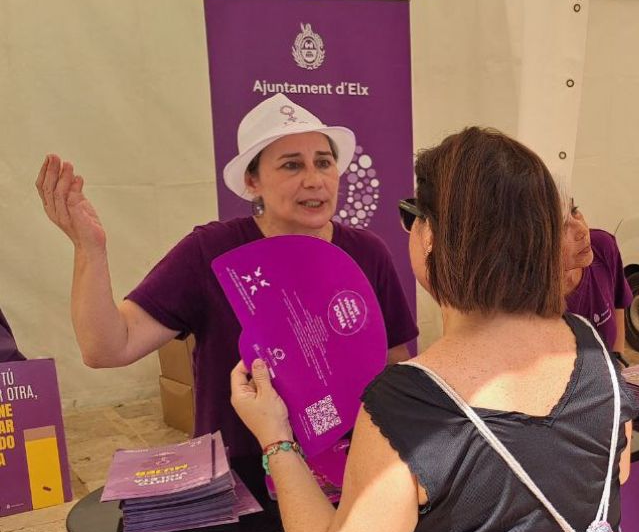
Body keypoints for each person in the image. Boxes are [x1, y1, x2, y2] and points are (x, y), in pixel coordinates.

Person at [230, 127, 638, 532]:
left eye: (412, 216)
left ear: (433, 237)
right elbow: (616, 469)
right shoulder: (595, 354)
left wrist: (275, 439)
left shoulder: (410, 402)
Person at [35, 93, 417, 459]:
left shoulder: (367, 252)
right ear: (253, 182)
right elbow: (108, 348)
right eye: (292, 165)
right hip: (241, 475)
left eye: (323, 162)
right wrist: (89, 249)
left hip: (349, 465)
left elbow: (393, 363)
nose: (315, 179)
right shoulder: (212, 252)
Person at [563, 201, 633, 357]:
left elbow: (618, 303)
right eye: (561, 226)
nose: (583, 229)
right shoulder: (525, 306)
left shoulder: (602, 246)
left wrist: (617, 359)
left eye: (574, 211)